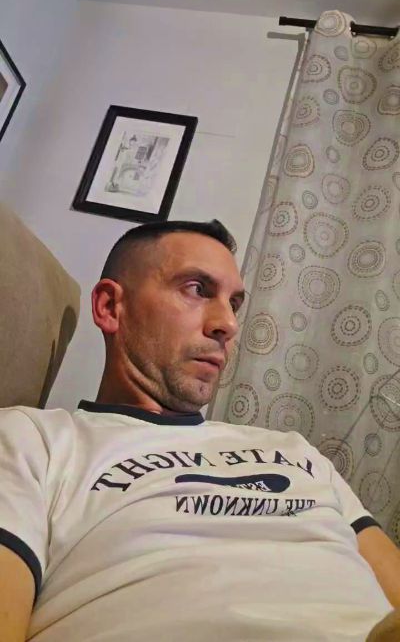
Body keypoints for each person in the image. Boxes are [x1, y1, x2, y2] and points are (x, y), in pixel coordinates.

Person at [1, 218, 399, 642]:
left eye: (234, 303)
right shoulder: (33, 439)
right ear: (110, 307)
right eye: (197, 289)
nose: (228, 324)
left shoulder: (296, 451)